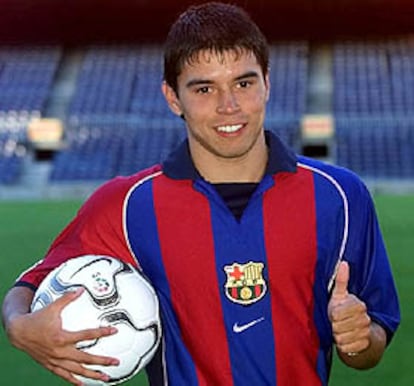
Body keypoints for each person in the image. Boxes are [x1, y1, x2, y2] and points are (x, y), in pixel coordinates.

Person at [2, 2, 400, 386]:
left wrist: (359, 340)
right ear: (173, 98)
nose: (229, 106)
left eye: (244, 83)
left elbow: (371, 345)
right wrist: (21, 329)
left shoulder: (341, 196)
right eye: (205, 89)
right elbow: (32, 284)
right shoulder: (126, 205)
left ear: (267, 84)